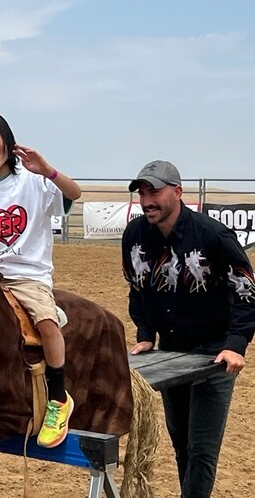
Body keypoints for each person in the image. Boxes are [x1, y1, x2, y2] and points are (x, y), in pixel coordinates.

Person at [123, 160, 255, 498]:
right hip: (169, 351)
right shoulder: (134, 235)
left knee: (201, 450)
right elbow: (137, 287)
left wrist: (236, 344)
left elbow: (247, 289)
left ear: (178, 192)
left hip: (215, 353)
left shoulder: (212, 235)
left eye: (154, 191)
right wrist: (144, 335)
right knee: (180, 442)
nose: (147, 200)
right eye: (141, 192)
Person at [0, 110, 82, 448]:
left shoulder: (33, 181)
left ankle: (58, 398)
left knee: (45, 321)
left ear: (7, 139)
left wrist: (48, 171)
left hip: (28, 276)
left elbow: (75, 193)